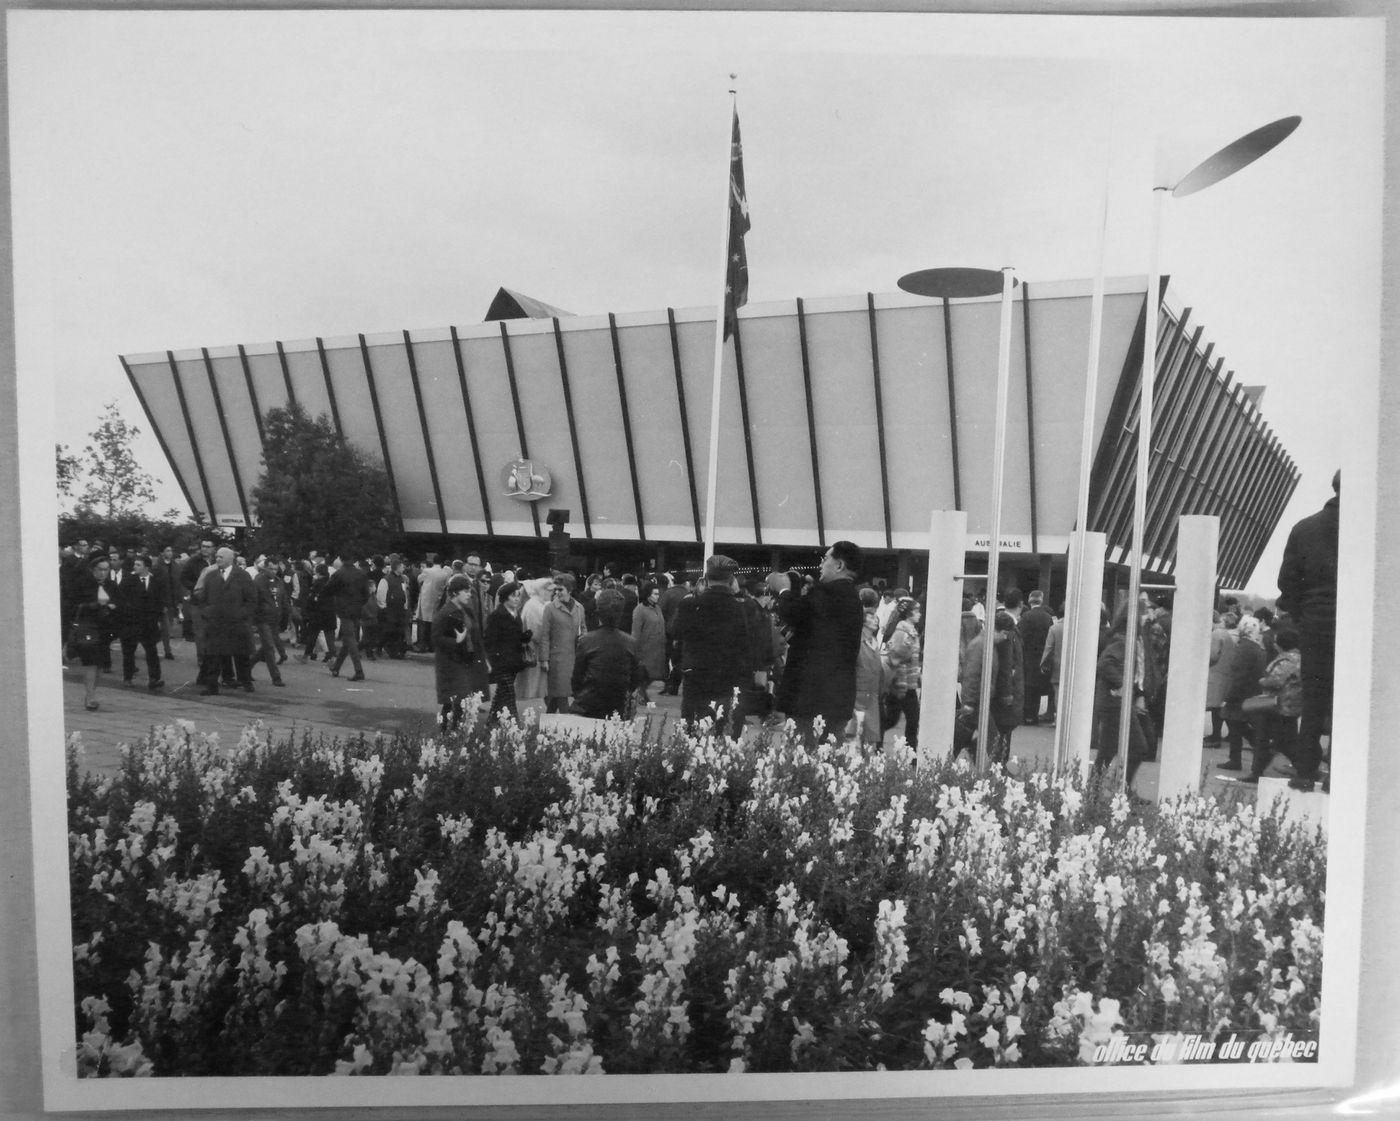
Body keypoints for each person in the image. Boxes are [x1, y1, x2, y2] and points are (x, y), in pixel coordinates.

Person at [1276, 470, 1339, 791]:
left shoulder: (1304, 528)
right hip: (1353, 627)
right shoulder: (1371, 528)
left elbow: (1287, 583)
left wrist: (1303, 616)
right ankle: (1336, 775)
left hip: (1314, 626)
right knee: (1346, 704)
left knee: (1313, 700)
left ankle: (1304, 772)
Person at [772, 540, 866, 745]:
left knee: (801, 763)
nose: (821, 565)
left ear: (839, 565)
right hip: (835, 697)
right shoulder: (849, 595)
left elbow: (792, 613)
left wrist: (784, 591)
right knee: (828, 763)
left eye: (825, 559)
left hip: (810, 699)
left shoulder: (830, 593)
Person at [673, 555, 752, 731]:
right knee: (723, 735)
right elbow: (747, 646)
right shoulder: (743, 608)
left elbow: (676, 633)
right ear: (731, 580)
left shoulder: (690, 605)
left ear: (707, 579)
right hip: (728, 680)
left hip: (695, 678)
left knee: (692, 734)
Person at [1091, 604, 1151, 792]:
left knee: (1107, 752)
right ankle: (1121, 790)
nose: (1148, 614)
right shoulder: (1123, 641)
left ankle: (1095, 792)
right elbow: (1105, 664)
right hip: (1115, 704)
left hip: (1114, 703)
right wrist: (1122, 684)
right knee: (1138, 748)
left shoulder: (1126, 639)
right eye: (1145, 611)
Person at [571, 589, 649, 719]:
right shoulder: (630, 643)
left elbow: (576, 678)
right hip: (618, 706)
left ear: (598, 612)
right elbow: (635, 679)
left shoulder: (586, 641)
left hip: (588, 704)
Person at [1241, 626, 1304, 785]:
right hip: (1290, 707)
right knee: (1285, 740)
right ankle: (1303, 768)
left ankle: (1258, 772)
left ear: (1281, 644)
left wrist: (1261, 681)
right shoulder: (1300, 658)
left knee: (1267, 739)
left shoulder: (1286, 660)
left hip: (1276, 706)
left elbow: (1275, 681)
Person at [194, 546, 257, 695]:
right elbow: (202, 598)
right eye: (216, 557)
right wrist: (207, 612)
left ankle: (246, 682)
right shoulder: (211, 576)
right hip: (215, 623)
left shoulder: (242, 576)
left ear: (230, 559)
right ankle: (211, 686)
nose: (217, 559)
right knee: (213, 655)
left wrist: (242, 614)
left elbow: (252, 600)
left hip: (236, 623)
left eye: (220, 557)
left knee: (241, 655)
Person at [433, 574, 487, 730]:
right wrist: (455, 641)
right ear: (455, 592)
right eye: (466, 591)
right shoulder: (445, 612)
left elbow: (474, 633)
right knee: (454, 702)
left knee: (458, 702)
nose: (469, 594)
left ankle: (451, 735)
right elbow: (436, 639)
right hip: (450, 663)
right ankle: (448, 735)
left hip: (464, 660)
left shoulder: (465, 610)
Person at [1218, 614, 1267, 773]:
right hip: (1251, 692)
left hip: (1240, 694)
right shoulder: (1257, 648)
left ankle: (1235, 759)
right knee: (1239, 725)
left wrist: (1229, 697)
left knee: (1234, 724)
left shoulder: (1244, 648)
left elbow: (1238, 675)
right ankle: (1240, 756)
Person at [67, 551, 116, 710]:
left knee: (100, 665)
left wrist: (113, 607)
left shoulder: (111, 585)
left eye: (106, 569)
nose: (103, 573)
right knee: (90, 662)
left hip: (105, 628)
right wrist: (95, 605)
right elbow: (74, 606)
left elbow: (120, 602)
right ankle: (90, 696)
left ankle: (92, 693)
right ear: (93, 569)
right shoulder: (83, 583)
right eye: (100, 569)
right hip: (88, 626)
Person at [114, 553, 167, 692]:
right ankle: (128, 678)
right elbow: (120, 599)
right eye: (135, 564)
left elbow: (160, 602)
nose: (135, 567)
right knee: (129, 652)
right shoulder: (128, 581)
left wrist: (158, 618)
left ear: (147, 567)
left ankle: (154, 679)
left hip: (149, 624)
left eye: (138, 565)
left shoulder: (156, 581)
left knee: (151, 652)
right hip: (131, 622)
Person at [483, 580, 531, 723]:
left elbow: (515, 637)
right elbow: (489, 639)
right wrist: (494, 657)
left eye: (518, 595)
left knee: (501, 694)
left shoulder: (515, 615)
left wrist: (525, 637)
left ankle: (491, 722)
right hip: (501, 662)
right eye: (513, 596)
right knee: (509, 694)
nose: (517, 598)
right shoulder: (497, 615)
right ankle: (516, 725)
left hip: (514, 661)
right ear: (505, 598)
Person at [881, 596, 923, 747]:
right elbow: (895, 656)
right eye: (916, 611)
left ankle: (908, 750)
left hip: (907, 682)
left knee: (898, 718)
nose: (920, 614)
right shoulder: (903, 632)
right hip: (902, 683)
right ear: (908, 613)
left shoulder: (909, 630)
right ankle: (909, 751)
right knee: (906, 718)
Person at [543, 573, 587, 713]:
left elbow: (583, 627)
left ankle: (548, 720)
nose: (557, 592)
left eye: (560, 589)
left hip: (574, 657)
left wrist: (584, 638)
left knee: (558, 694)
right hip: (557, 658)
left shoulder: (579, 608)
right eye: (555, 589)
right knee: (561, 694)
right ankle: (566, 725)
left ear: (570, 590)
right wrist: (544, 659)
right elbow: (545, 635)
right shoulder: (550, 608)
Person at [324, 555, 371, 681]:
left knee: (350, 639)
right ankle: (336, 667)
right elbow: (366, 594)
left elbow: (328, 589)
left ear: (341, 560)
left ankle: (358, 670)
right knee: (347, 639)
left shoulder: (339, 574)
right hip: (356, 609)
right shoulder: (361, 574)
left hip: (344, 609)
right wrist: (359, 603)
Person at [515, 576, 555, 707]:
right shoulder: (533, 605)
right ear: (541, 590)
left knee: (541, 687)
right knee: (533, 688)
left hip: (539, 650)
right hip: (535, 652)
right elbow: (535, 632)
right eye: (549, 590)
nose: (552, 593)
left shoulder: (540, 604)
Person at [1018, 590, 1054, 725]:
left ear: (1029, 600)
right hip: (1041, 658)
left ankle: (1026, 716)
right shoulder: (1048, 617)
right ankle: (1034, 716)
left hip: (1027, 657)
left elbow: (1021, 638)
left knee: (1027, 688)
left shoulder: (1025, 617)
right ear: (1041, 600)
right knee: (1038, 688)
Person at [249, 557, 286, 687]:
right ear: (265, 568)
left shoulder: (279, 582)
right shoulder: (258, 581)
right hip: (262, 618)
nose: (273, 571)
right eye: (271, 568)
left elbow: (283, 601)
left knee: (266, 647)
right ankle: (276, 677)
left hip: (275, 619)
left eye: (276, 569)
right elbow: (253, 601)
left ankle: (247, 667)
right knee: (269, 647)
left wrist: (285, 619)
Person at [1203, 611, 1235, 748]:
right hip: (1225, 673)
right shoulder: (1225, 633)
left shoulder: (1216, 634)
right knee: (1219, 707)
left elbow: (1212, 656)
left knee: (1216, 708)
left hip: (1216, 674)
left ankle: (1215, 737)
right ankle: (1223, 735)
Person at [632, 581, 668, 687]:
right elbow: (636, 632)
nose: (658, 596)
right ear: (648, 595)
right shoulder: (639, 610)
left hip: (659, 650)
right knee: (646, 678)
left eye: (658, 594)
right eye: (655, 594)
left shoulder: (658, 608)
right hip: (645, 651)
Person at [298, 562, 336, 662]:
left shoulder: (317, 584)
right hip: (330, 613)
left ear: (318, 573)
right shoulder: (331, 583)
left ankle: (306, 656)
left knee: (313, 635)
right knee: (330, 637)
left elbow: (311, 599)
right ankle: (333, 657)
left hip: (317, 613)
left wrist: (307, 612)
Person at [377, 554, 412, 659]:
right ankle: (380, 647)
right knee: (388, 630)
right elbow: (381, 594)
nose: (403, 568)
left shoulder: (402, 579)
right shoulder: (386, 579)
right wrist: (383, 607)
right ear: (397, 567)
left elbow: (404, 593)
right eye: (402, 566)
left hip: (400, 610)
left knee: (398, 631)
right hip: (390, 610)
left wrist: (406, 606)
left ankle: (395, 650)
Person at [415, 554, 449, 652]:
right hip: (437, 601)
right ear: (442, 562)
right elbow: (446, 585)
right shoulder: (445, 574)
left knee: (422, 624)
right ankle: (432, 646)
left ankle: (421, 645)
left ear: (433, 561)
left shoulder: (427, 571)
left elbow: (419, 579)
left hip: (425, 600)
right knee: (433, 625)